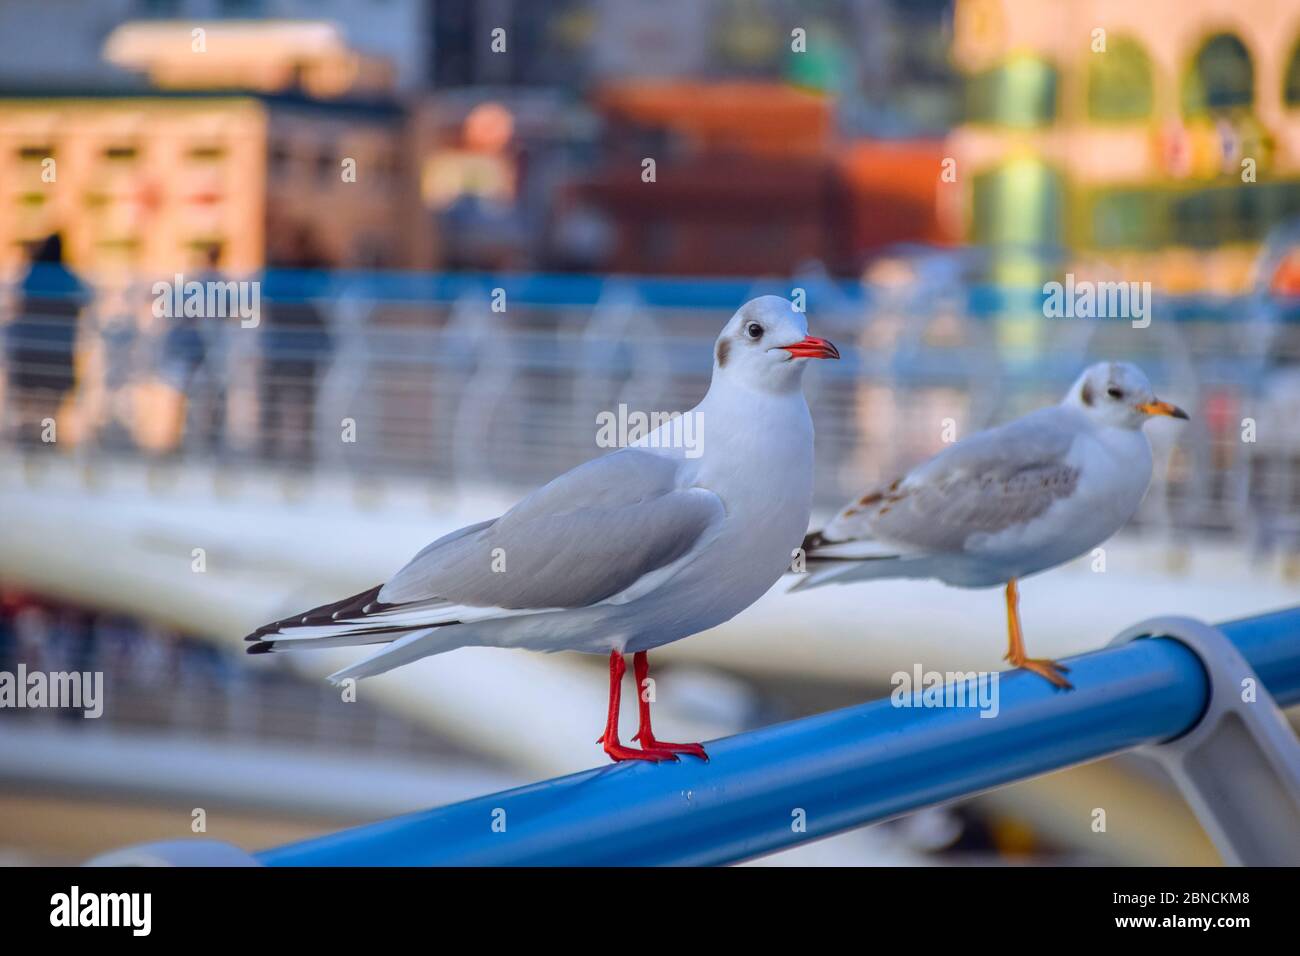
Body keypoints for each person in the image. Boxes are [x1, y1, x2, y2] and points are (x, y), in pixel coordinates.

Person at [5, 234, 87, 446]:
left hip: (29, 351)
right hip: (59, 353)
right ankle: (46, 440)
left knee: (29, 402)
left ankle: (28, 439)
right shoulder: (69, 278)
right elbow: (87, 299)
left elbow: (15, 303)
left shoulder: (32, 274)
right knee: (50, 407)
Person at [260, 227, 334, 463]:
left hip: (300, 348)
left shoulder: (310, 273)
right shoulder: (280, 274)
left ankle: (302, 449)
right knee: (275, 396)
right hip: (284, 347)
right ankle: (271, 447)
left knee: (303, 399)